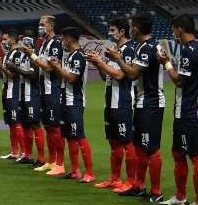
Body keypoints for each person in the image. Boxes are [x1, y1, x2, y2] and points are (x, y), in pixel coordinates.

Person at [107, 14, 165, 202]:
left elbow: (131, 74)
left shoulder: (148, 48)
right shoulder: (142, 47)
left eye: (132, 26)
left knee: (151, 148)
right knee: (140, 147)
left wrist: (117, 58)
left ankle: (156, 191)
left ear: (137, 28)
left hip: (152, 102)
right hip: (141, 102)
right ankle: (139, 186)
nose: (130, 29)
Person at [157, 14, 198, 205]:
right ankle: (180, 196)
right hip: (184, 109)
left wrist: (166, 63)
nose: (173, 33)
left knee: (196, 156)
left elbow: (179, 81)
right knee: (178, 152)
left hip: (190, 110)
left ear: (180, 29)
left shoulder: (189, 51)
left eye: (174, 29)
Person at [85, 17, 136, 191]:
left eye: (113, 29)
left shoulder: (128, 50)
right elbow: (105, 76)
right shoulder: (114, 49)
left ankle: (130, 181)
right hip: (110, 103)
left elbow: (121, 75)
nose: (110, 32)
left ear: (122, 31)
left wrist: (101, 62)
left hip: (122, 103)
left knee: (127, 143)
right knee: (114, 143)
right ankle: (114, 178)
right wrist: (98, 64)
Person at [49, 27, 94, 183]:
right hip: (65, 101)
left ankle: (89, 172)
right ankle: (75, 170)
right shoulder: (71, 56)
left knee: (79, 137)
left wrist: (57, 68)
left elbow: (71, 78)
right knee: (69, 137)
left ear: (68, 38)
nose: (62, 42)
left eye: (63, 39)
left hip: (74, 102)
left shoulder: (78, 57)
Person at [25, 15, 65, 174]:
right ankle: (51, 161)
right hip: (43, 90)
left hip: (53, 90)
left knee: (55, 128)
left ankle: (60, 164)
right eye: (39, 24)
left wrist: (32, 55)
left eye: (42, 25)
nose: (39, 27)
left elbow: (49, 67)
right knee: (48, 127)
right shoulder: (43, 44)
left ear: (51, 26)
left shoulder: (56, 43)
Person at [11, 36, 45, 166]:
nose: (23, 46)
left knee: (35, 125)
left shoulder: (34, 57)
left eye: (25, 45)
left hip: (32, 96)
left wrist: (16, 69)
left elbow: (33, 75)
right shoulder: (24, 57)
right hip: (22, 95)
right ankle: (28, 155)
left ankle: (41, 158)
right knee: (25, 126)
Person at [0, 32, 24, 160]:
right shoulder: (7, 55)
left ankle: (24, 153)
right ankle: (14, 151)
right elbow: (2, 76)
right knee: (11, 123)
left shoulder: (17, 54)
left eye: (5, 39)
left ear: (12, 39)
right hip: (6, 91)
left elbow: (13, 75)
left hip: (14, 92)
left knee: (16, 122)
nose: (2, 42)